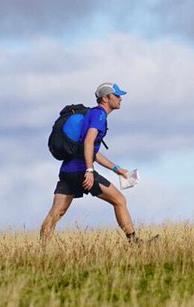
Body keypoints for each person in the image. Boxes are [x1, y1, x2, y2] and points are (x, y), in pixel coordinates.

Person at [40, 82, 145, 244]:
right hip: (82, 171)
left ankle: (42, 250)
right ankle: (134, 243)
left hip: (68, 171)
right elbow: (89, 143)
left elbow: (93, 151)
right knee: (120, 200)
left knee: (55, 213)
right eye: (117, 96)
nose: (120, 99)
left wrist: (118, 170)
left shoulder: (92, 114)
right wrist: (89, 171)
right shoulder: (99, 116)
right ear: (105, 98)